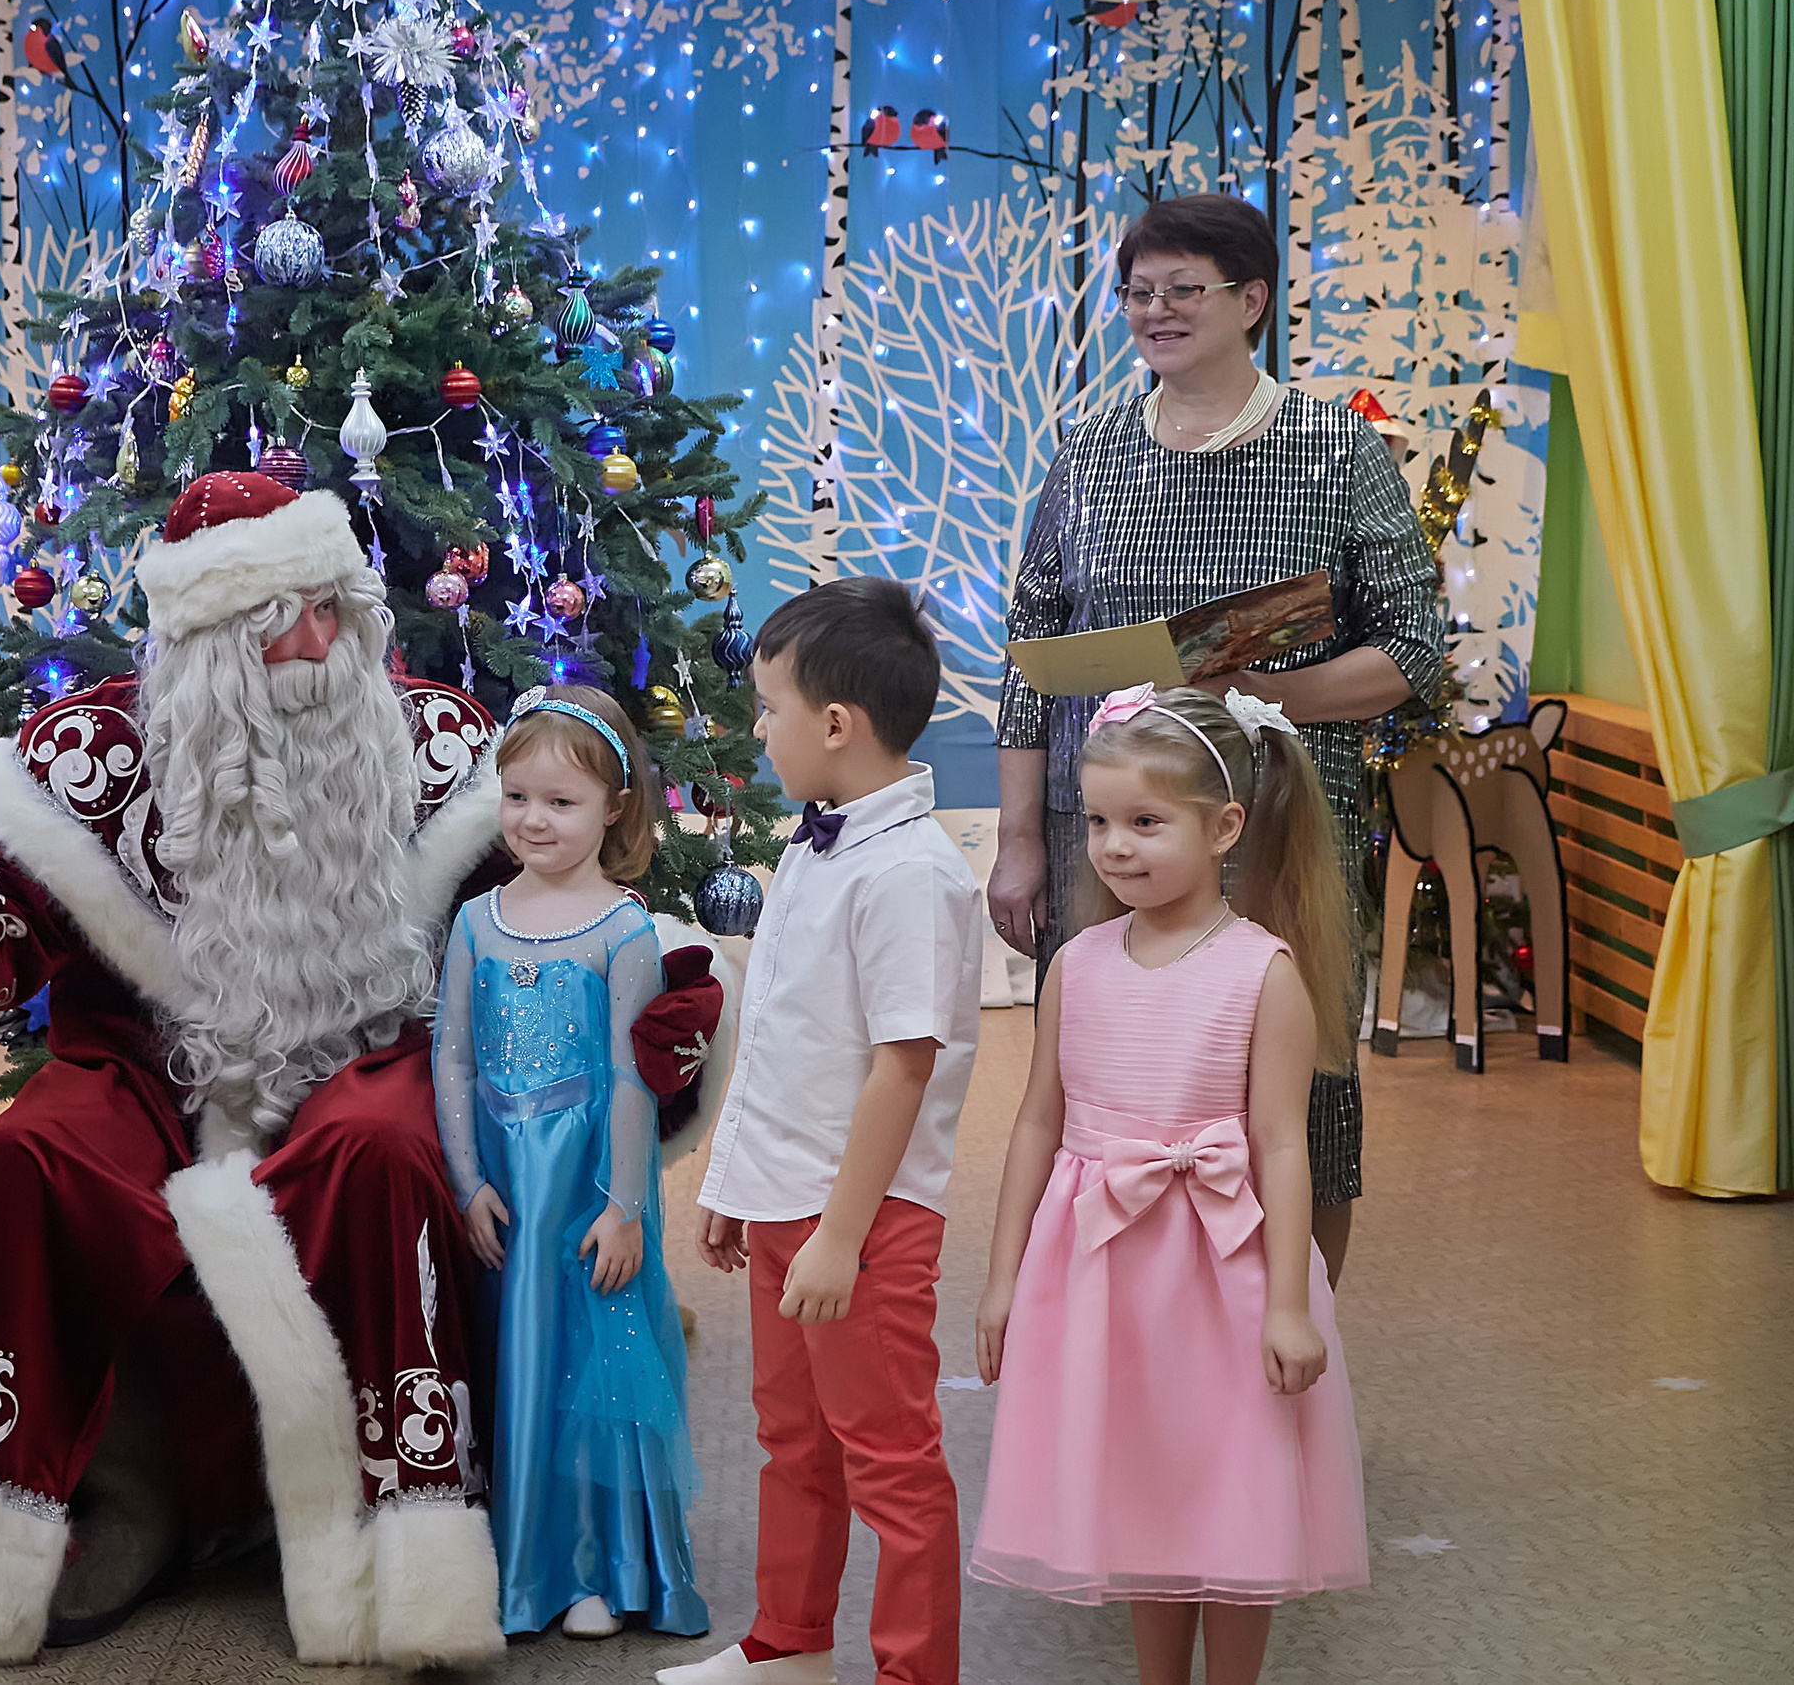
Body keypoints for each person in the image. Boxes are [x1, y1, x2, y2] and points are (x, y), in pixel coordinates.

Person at [0, 471, 731, 1666]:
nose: (317, 645)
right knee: (20, 1159)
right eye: (277, 622)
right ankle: (78, 1512)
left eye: (333, 608)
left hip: (377, 1055)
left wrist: (661, 994)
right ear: (201, 646)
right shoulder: (85, 758)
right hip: (148, 1074)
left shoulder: (437, 741)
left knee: (388, 1145)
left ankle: (403, 1530)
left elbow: (556, 909)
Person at [991, 193, 1446, 1288]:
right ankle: (1124, 1355)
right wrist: (1015, 840)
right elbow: (1032, 647)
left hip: (1283, 825)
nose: (1155, 309)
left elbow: (1416, 652)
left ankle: (1287, 1362)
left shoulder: (1334, 449)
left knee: (1300, 1107)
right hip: (1105, 836)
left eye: (1181, 288)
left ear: (1250, 301)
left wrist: (1273, 686)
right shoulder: (1091, 448)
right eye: (1139, 291)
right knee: (1108, 1092)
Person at [970, 684, 1369, 1685]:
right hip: (1102, 1272)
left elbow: (1282, 1147)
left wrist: (1287, 1304)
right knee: (1141, 1495)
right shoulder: (1077, 963)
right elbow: (1035, 1122)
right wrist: (1002, 1276)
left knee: (1230, 1498)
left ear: (1223, 826)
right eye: (1099, 822)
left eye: (1145, 823)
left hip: (1221, 1274)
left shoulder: (1261, 973)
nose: (1115, 847)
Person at [659, 578, 980, 1685]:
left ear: (833, 725)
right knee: (793, 1440)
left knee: (888, 1460)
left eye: (766, 707)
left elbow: (902, 1067)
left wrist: (842, 1235)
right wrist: (731, 1182)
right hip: (786, 1198)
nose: (758, 728)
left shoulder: (912, 875)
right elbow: (792, 1036)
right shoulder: (814, 848)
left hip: (865, 1220)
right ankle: (789, 1645)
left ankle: (912, 1673)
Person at [434, 683, 709, 1643]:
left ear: (614, 808)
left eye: (561, 802)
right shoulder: (477, 923)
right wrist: (467, 1179)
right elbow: (454, 1058)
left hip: (591, 1182)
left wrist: (625, 1206)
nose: (534, 820)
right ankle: (524, 1562)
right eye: (517, 797)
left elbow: (635, 1080)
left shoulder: (622, 929)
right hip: (508, 1181)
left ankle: (598, 1564)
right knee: (521, 1356)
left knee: (595, 1367)